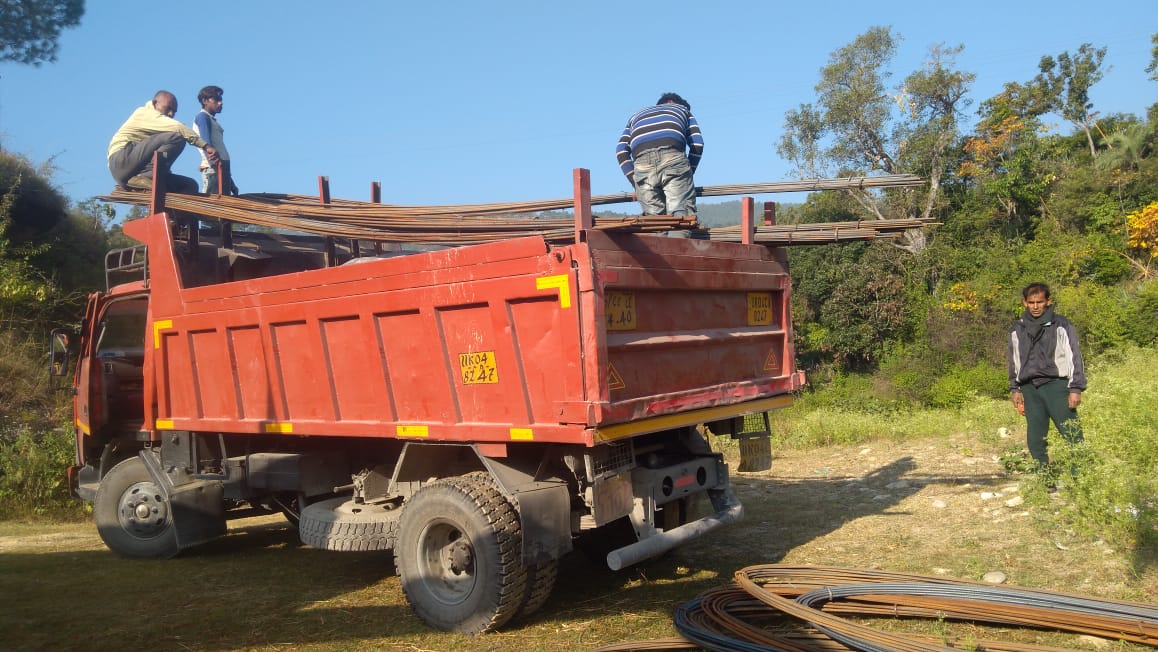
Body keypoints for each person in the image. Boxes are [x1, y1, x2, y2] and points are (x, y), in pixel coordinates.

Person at [1007, 282, 1086, 469]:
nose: (1035, 306)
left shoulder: (1061, 324)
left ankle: (1081, 477)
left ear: (1048, 302)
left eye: (1040, 302)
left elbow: (1074, 355)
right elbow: (1014, 360)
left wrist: (1075, 388)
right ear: (1024, 303)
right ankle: (1044, 479)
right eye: (1031, 302)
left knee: (1072, 434)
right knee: (1035, 439)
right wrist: (1015, 388)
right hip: (1030, 389)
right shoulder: (1017, 329)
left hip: (1056, 386)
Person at [107, 90, 218, 193]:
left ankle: (175, 210)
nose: (171, 114)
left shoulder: (157, 127)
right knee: (176, 137)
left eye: (174, 111)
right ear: (155, 104)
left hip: (136, 169)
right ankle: (147, 176)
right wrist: (205, 146)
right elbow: (178, 128)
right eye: (168, 108)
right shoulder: (144, 113)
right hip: (121, 160)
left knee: (190, 185)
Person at [615, 92, 704, 216]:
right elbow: (697, 144)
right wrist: (687, 173)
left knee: (655, 224)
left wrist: (636, 182)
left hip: (642, 165)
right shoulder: (683, 109)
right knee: (681, 218)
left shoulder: (636, 115)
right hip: (672, 157)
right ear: (674, 103)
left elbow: (621, 150)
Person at [191, 85, 238, 195]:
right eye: (216, 100)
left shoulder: (211, 120)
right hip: (214, 170)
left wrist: (230, 182)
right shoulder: (202, 117)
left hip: (222, 169)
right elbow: (207, 145)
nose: (220, 103)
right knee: (210, 206)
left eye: (221, 100)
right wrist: (216, 168)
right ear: (205, 101)